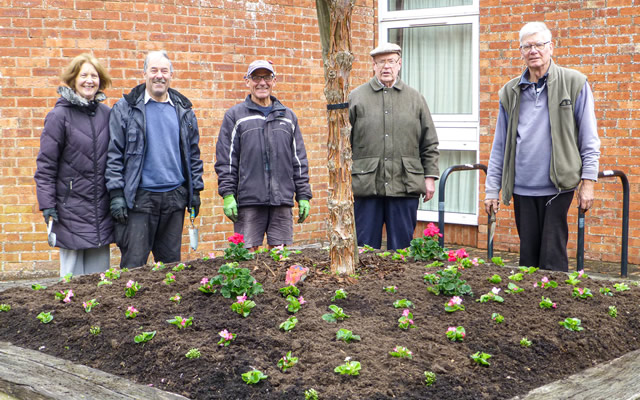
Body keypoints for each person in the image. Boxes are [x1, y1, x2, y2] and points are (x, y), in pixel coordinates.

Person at [484, 22, 600, 272]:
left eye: (539, 44)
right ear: (521, 52)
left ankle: (557, 308)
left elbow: (589, 139)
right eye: (527, 46)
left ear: (551, 48)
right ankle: (531, 308)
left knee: (553, 256)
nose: (533, 50)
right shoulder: (510, 91)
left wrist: (588, 181)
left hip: (558, 186)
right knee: (527, 258)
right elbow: (500, 146)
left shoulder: (574, 82)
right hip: (522, 187)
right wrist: (491, 189)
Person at [106, 50, 204, 268]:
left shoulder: (183, 110)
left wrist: (195, 191)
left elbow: (193, 154)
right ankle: (130, 304)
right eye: (154, 70)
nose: (159, 75)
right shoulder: (126, 109)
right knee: (133, 266)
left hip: (175, 199)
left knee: (170, 269)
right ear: (144, 73)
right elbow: (114, 154)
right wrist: (116, 194)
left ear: (171, 75)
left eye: (164, 71)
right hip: (140, 200)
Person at [349, 42, 440, 250]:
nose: (386, 67)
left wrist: (429, 177)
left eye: (391, 61)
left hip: (405, 184)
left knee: (402, 250)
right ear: (373, 66)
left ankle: (398, 285)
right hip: (366, 185)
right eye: (381, 62)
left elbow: (429, 141)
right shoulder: (357, 98)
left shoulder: (415, 98)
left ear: (399, 64)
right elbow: (343, 144)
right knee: (365, 250)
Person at [214, 60, 312, 251]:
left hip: (281, 199)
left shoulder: (288, 117)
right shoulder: (235, 116)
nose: (262, 83)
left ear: (274, 81)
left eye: (266, 77)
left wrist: (303, 195)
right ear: (247, 81)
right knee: (248, 256)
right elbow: (226, 160)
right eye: (256, 77)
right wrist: (227, 194)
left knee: (279, 256)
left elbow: (298, 160)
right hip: (248, 200)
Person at [34, 54, 114, 277]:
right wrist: (47, 203)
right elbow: (46, 165)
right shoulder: (58, 116)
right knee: (71, 283)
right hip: (70, 210)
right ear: (73, 80)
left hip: (101, 210)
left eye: (94, 76)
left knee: (101, 282)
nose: (90, 81)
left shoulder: (108, 115)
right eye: (84, 75)